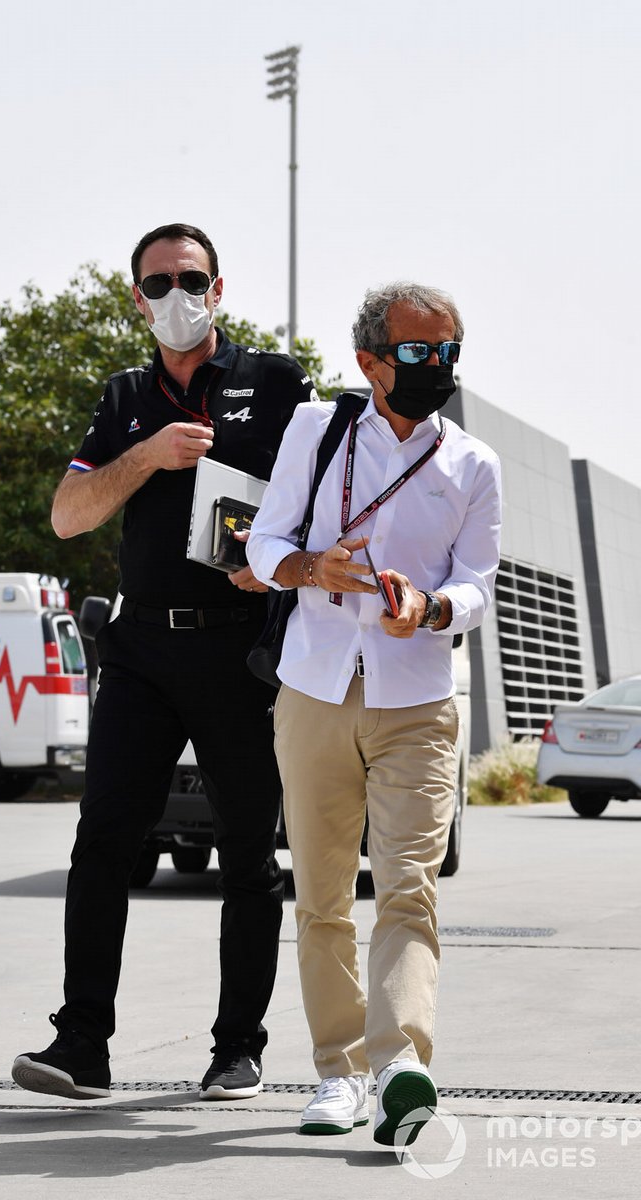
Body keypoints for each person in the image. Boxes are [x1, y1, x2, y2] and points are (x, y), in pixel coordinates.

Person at [12, 222, 316, 1102]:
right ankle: (81, 1048)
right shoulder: (123, 397)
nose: (174, 296)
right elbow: (70, 515)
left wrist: (282, 565)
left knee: (251, 855)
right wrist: (146, 454)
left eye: (191, 279)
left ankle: (237, 1050)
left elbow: (319, 501)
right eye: (156, 283)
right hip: (140, 648)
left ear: (219, 289)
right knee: (102, 844)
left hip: (239, 647)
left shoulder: (275, 382)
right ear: (135, 298)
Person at [246, 281, 501, 1146]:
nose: (439, 368)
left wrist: (426, 609)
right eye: (420, 354)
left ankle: (401, 1066)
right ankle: (338, 1072)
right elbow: (265, 543)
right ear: (370, 362)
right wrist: (316, 570)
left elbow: (476, 586)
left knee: (408, 889)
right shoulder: (317, 433)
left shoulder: (473, 464)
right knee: (320, 895)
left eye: (449, 354)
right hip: (314, 688)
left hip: (419, 701)